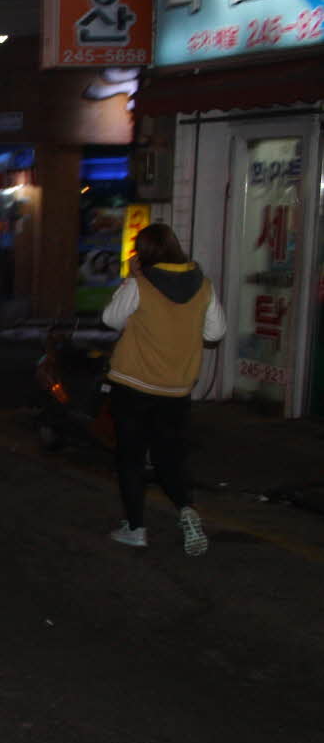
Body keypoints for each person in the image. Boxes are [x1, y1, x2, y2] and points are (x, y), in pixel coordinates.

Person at [101, 222, 226, 555]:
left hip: (133, 385)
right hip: (176, 389)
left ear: (143, 254)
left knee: (130, 459)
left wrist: (129, 278)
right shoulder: (204, 286)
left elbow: (111, 319)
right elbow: (215, 333)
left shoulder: (140, 284)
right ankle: (186, 509)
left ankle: (136, 529)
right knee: (169, 457)